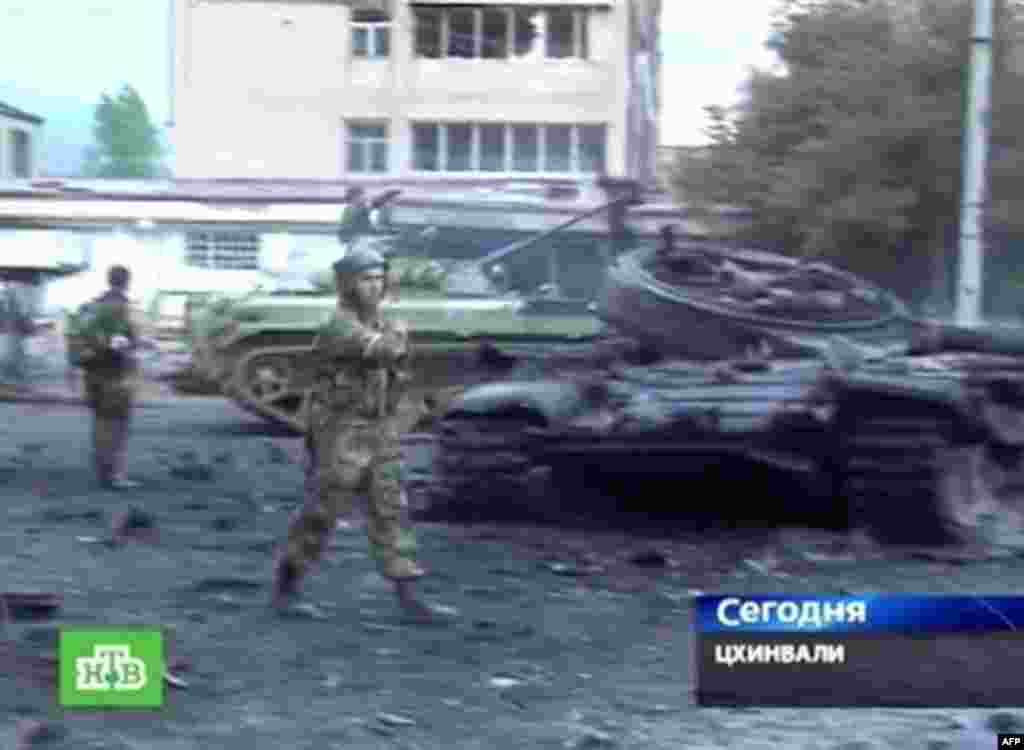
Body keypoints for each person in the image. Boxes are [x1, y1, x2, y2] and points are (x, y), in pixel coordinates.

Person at [270, 245, 452, 624]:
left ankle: (408, 594)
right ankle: (286, 588)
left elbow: (397, 367)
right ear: (348, 285)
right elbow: (385, 351)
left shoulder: (379, 321)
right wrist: (399, 334)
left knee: (390, 508)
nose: (375, 285)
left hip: (378, 428)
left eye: (379, 277)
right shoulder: (341, 325)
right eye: (366, 279)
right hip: (342, 431)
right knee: (322, 512)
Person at [70, 265, 141, 490]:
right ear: (127, 281)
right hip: (114, 374)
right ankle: (114, 476)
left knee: (100, 423)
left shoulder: (93, 305)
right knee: (117, 425)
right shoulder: (120, 308)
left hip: (91, 373)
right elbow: (120, 343)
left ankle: (102, 471)